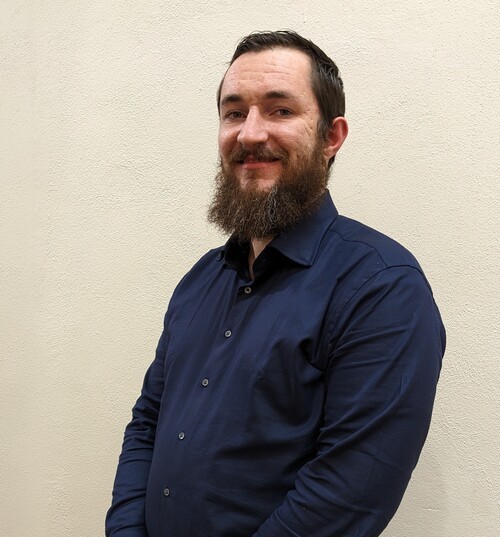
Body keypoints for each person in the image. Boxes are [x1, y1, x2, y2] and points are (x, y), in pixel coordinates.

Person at [106, 30, 445, 537]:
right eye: (234, 112)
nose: (249, 134)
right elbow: (147, 424)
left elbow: (348, 493)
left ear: (331, 137)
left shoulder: (382, 287)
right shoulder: (201, 280)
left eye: (280, 110)